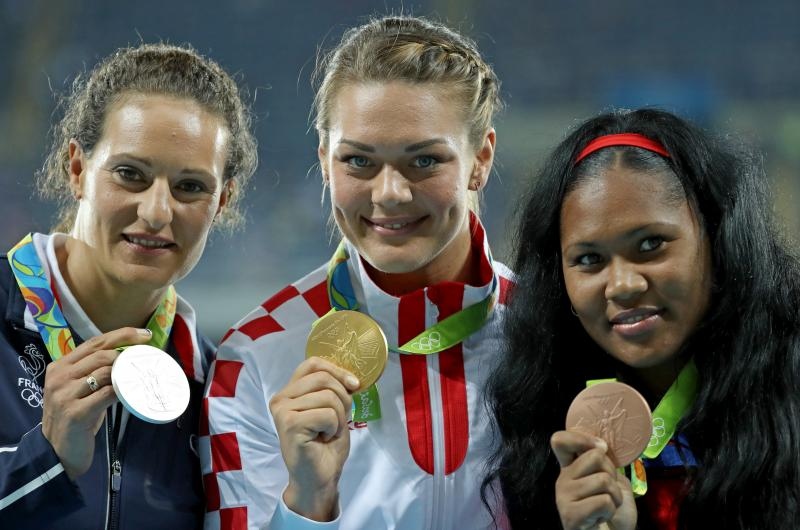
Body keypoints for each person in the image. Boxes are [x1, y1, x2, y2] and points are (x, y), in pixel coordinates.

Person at [201, 15, 512, 529]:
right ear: (325, 161)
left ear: (480, 158)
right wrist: (307, 501)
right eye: (359, 161)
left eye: (424, 161)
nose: (390, 193)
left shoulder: (549, 326)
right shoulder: (254, 355)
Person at [484, 108, 800, 529]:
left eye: (651, 245)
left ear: (718, 240)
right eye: (589, 259)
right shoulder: (538, 423)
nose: (622, 285)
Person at [0, 43, 257, 528]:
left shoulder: (216, 389)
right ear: (77, 169)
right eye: (130, 174)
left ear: (222, 201)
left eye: (190, 187)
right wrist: (44, 461)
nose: (157, 212)